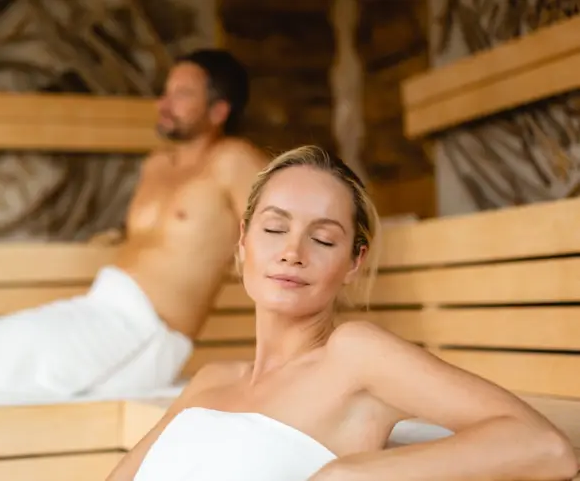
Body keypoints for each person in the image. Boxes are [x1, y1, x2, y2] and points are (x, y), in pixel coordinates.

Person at [106, 145, 577, 481]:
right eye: (274, 229)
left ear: (354, 263)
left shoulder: (353, 355)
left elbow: (546, 448)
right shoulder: (210, 381)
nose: (293, 252)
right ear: (242, 242)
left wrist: (356, 474)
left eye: (324, 238)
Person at [0, 49, 269, 409]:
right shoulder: (157, 165)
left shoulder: (233, 161)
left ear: (219, 110)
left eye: (182, 94)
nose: (164, 103)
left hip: (144, 331)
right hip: (103, 308)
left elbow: (287, 227)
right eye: (166, 91)